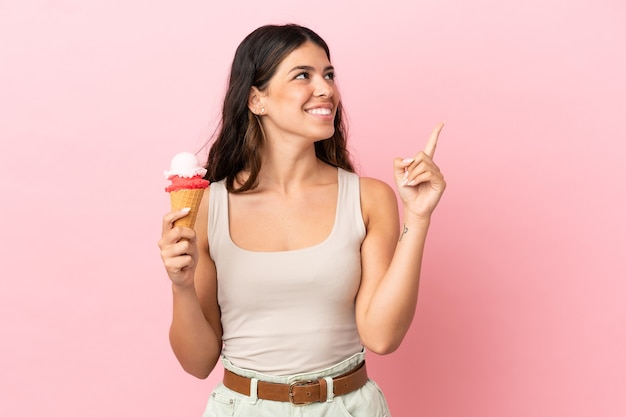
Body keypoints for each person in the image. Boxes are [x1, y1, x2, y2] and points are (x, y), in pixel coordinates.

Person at [158, 23, 446, 417]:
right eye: (303, 76)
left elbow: (381, 336)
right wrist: (182, 287)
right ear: (257, 99)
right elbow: (197, 363)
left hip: (349, 408)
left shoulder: (369, 198)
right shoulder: (208, 207)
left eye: (329, 74)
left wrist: (419, 216)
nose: (326, 88)